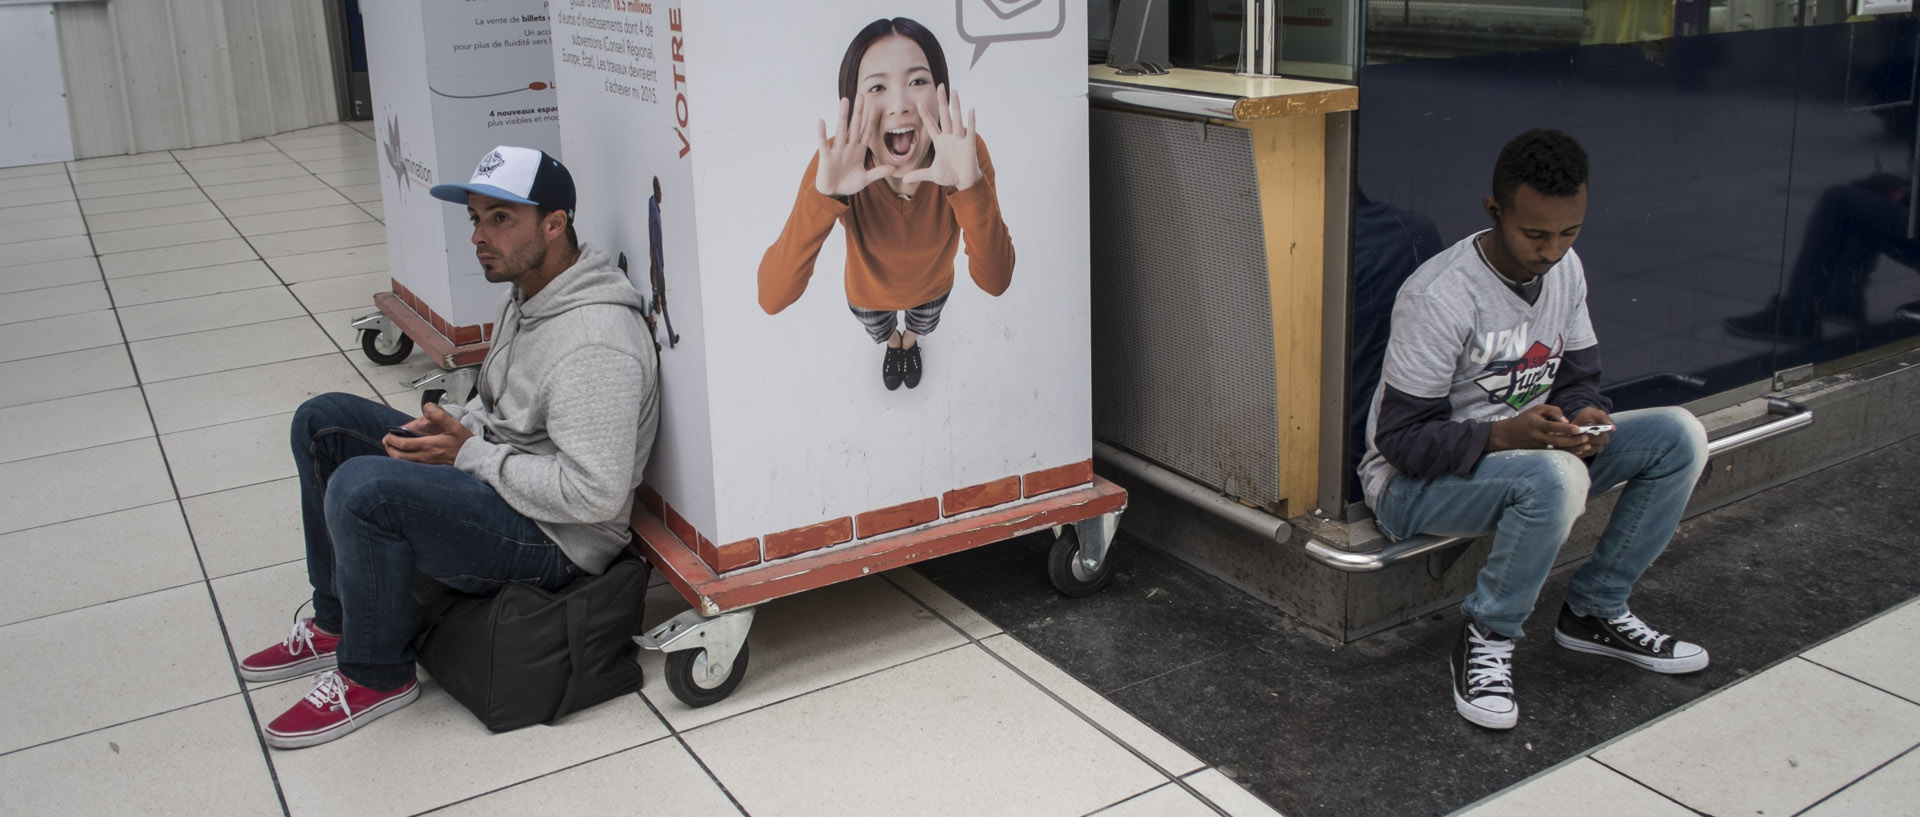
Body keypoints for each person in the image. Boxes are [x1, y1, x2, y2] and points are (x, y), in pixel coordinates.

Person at [240, 146, 659, 749]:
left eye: (500, 218)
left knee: (363, 490)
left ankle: (375, 676)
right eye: (475, 219)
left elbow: (594, 496)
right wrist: (452, 423)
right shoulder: (530, 291)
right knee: (323, 422)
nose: (479, 237)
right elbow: (496, 403)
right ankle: (337, 623)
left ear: (554, 223)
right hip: (505, 479)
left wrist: (469, 455)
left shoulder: (594, 341)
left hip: (557, 538)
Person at [1358, 129, 1710, 731]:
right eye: (1535, 234)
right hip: (1411, 486)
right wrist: (1507, 436)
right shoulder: (1441, 297)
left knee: (1679, 435)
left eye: (1569, 232)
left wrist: (1588, 416)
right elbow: (1402, 441)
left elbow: (1578, 378)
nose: (1552, 250)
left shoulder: (1566, 270)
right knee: (1554, 476)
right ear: (1494, 211)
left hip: (1530, 454)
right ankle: (1487, 635)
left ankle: (1594, 612)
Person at [757, 16, 1015, 391]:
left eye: (917, 81)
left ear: (941, 90)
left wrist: (969, 185)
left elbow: (996, 281)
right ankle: (894, 344)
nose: (899, 105)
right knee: (881, 332)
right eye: (877, 87)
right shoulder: (838, 162)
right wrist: (823, 196)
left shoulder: (965, 155)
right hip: (867, 295)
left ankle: (909, 342)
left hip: (933, 289)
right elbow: (772, 296)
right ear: (852, 103)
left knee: (920, 327)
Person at [647, 175, 680, 348]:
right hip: (657, 263)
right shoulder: (653, 209)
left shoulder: (655, 208)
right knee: (659, 300)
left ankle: (669, 334)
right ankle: (658, 337)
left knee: (661, 300)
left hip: (659, 262)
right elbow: (654, 240)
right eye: (660, 191)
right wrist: (658, 266)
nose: (661, 195)